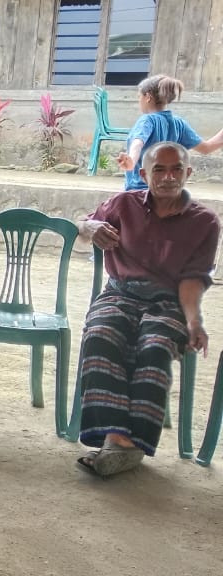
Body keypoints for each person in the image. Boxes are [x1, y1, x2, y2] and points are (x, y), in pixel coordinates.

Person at [75, 141, 219, 477]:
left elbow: (193, 281)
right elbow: (81, 226)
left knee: (154, 347)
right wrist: (92, 227)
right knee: (100, 335)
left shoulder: (205, 222)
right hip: (120, 294)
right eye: (159, 169)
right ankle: (117, 439)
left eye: (176, 170)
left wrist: (194, 321)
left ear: (188, 173)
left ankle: (128, 445)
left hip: (168, 303)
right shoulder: (124, 203)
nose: (168, 177)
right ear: (143, 173)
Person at [116, 74, 223, 191]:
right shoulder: (178, 123)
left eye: (139, 97)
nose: (139, 101)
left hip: (140, 192)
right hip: (168, 193)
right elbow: (206, 148)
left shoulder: (147, 120)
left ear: (148, 97)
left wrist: (131, 160)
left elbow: (138, 143)